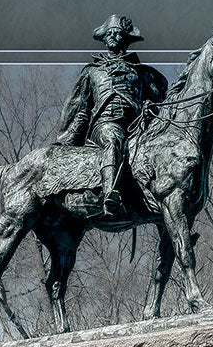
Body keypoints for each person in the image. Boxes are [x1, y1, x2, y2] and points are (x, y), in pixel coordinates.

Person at [55, 14, 168, 216]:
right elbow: (79, 109)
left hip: (136, 128)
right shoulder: (92, 71)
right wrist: (68, 142)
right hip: (105, 125)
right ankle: (110, 193)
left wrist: (151, 106)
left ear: (126, 39)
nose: (114, 36)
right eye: (110, 33)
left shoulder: (140, 72)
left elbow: (160, 102)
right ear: (105, 38)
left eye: (118, 33)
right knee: (113, 138)